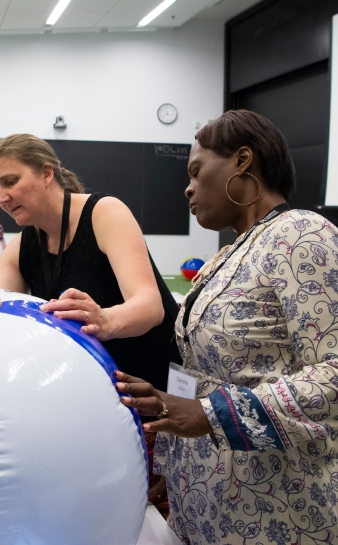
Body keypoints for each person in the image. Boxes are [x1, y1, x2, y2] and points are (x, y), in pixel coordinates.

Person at [115, 110, 338, 545]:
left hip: (277, 511)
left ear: (242, 161)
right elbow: (207, 374)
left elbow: (333, 371)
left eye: (197, 171)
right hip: (207, 505)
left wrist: (208, 415)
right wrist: (172, 450)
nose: (188, 187)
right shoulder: (226, 256)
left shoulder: (301, 235)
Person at [0, 134, 180, 393]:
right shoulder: (19, 249)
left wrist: (106, 319)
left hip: (153, 384)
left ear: (46, 174)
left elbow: (150, 306)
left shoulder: (106, 213)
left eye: (10, 182)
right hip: (93, 389)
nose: (1, 198)